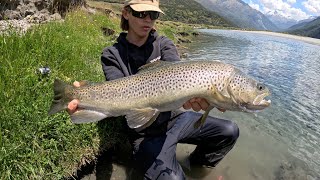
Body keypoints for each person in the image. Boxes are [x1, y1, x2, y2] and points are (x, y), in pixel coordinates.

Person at [67, 0, 239, 179]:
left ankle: (197, 168)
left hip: (175, 118)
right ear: (126, 13)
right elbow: (117, 94)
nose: (148, 19)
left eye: (154, 15)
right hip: (145, 133)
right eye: (142, 14)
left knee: (229, 131)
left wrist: (199, 94)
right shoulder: (112, 54)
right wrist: (85, 98)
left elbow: (177, 71)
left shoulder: (164, 43)